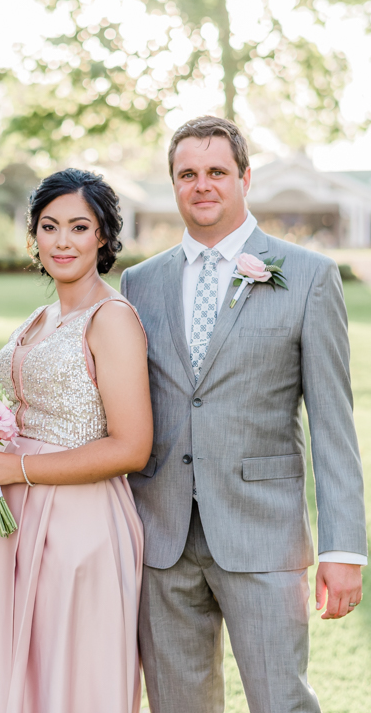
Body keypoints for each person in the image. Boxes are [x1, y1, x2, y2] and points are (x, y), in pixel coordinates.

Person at [121, 116, 367, 713]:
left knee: (282, 701)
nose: (201, 185)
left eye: (216, 171)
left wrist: (343, 549)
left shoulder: (308, 276)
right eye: (187, 174)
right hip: (161, 537)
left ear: (245, 178)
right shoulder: (139, 283)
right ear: (174, 184)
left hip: (264, 534)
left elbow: (333, 423)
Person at [0, 168, 152, 713]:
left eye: (79, 227)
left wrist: (15, 470)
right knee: (19, 674)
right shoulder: (40, 318)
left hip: (78, 525)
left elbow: (131, 447)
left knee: (70, 673)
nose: (62, 241)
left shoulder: (111, 319)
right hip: (15, 518)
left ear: (103, 237)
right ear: (34, 236)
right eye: (49, 226)